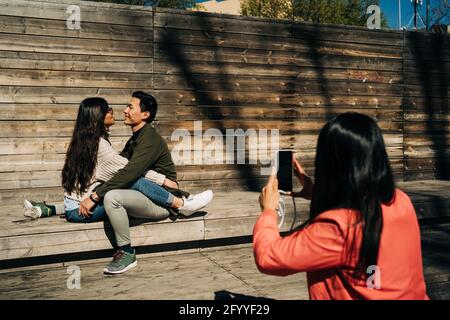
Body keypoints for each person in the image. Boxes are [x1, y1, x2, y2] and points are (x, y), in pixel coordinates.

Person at [253, 112, 428, 300]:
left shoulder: (340, 228)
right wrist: (318, 193)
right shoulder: (401, 201)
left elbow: (269, 257)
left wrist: (269, 211)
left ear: (330, 164)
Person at [78, 91, 213, 274]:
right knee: (115, 190)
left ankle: (127, 253)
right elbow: (118, 173)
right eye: (127, 106)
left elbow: (129, 173)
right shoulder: (135, 140)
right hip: (142, 197)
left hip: (160, 201)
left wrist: (95, 196)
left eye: (130, 107)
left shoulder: (149, 138)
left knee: (112, 197)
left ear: (145, 115)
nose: (124, 110)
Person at [24, 97, 212, 223]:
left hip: (73, 206)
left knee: (119, 184)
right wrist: (164, 181)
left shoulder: (82, 141)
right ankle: (183, 204)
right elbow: (130, 169)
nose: (116, 112)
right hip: (80, 211)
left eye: (128, 107)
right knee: (132, 181)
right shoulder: (101, 146)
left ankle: (45, 209)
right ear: (98, 117)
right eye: (108, 110)